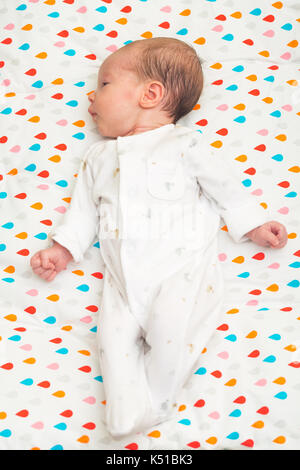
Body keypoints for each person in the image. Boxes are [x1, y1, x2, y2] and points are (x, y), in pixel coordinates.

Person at [30, 37, 288, 437]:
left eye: (104, 85)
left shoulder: (184, 144)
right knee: (111, 345)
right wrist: (62, 249)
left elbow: (225, 188)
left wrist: (254, 224)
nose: (89, 96)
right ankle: (123, 414)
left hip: (178, 272)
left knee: (172, 335)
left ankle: (156, 404)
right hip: (121, 282)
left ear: (150, 95)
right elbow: (81, 211)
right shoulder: (98, 157)